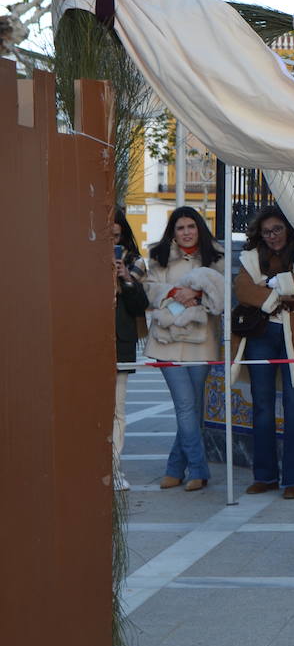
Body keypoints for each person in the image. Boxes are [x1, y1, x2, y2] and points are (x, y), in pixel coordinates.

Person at [231, 207, 294, 500]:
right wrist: (278, 295)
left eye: (277, 230)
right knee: (261, 406)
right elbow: (243, 289)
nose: (272, 237)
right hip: (260, 336)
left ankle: (293, 479)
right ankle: (265, 476)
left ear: (289, 229)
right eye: (267, 231)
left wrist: (270, 284)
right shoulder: (250, 257)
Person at [143, 207, 225, 492]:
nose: (187, 231)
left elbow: (223, 294)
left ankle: (175, 468)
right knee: (186, 407)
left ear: (199, 228)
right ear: (173, 232)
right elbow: (150, 289)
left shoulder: (217, 257)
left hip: (201, 343)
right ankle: (199, 471)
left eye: (191, 226)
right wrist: (175, 293)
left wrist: (200, 293)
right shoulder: (158, 256)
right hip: (166, 342)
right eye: (180, 227)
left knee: (193, 409)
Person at [112, 208, 149, 492]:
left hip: (119, 342)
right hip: (85, 341)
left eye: (116, 228)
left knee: (117, 409)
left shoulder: (135, 262)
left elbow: (139, 307)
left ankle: (113, 468)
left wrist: (125, 278)